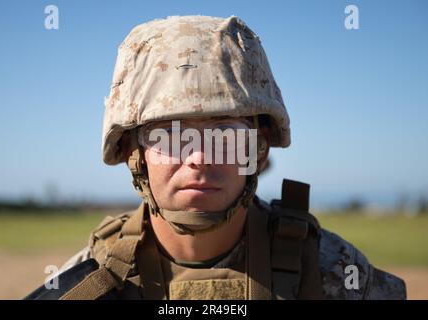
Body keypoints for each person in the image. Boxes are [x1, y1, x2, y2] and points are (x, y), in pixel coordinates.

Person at [26, 15, 406, 300]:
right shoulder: (87, 283)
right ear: (132, 152)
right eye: (170, 135)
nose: (200, 158)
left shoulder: (333, 272)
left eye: (227, 134)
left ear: (260, 148)